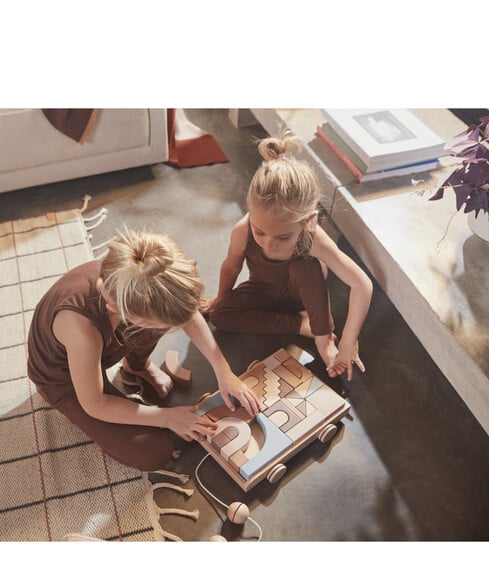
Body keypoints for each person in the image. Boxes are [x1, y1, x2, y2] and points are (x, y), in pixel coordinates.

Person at [27, 228, 261, 472]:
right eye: (161, 326)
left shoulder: (140, 276)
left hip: (108, 343)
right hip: (62, 380)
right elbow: (95, 404)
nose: (174, 328)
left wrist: (224, 371)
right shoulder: (82, 331)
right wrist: (166, 417)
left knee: (164, 318)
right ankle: (138, 361)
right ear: (118, 310)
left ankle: (136, 366)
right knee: (152, 453)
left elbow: (187, 314)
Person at [204, 133, 373, 380]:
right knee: (219, 315)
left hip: (303, 297)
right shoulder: (242, 230)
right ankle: (301, 325)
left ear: (309, 222)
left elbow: (362, 285)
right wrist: (220, 298)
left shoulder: (312, 236)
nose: (269, 245)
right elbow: (230, 267)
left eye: (283, 238)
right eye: (259, 232)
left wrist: (347, 341)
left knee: (305, 267)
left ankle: (322, 337)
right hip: (264, 291)